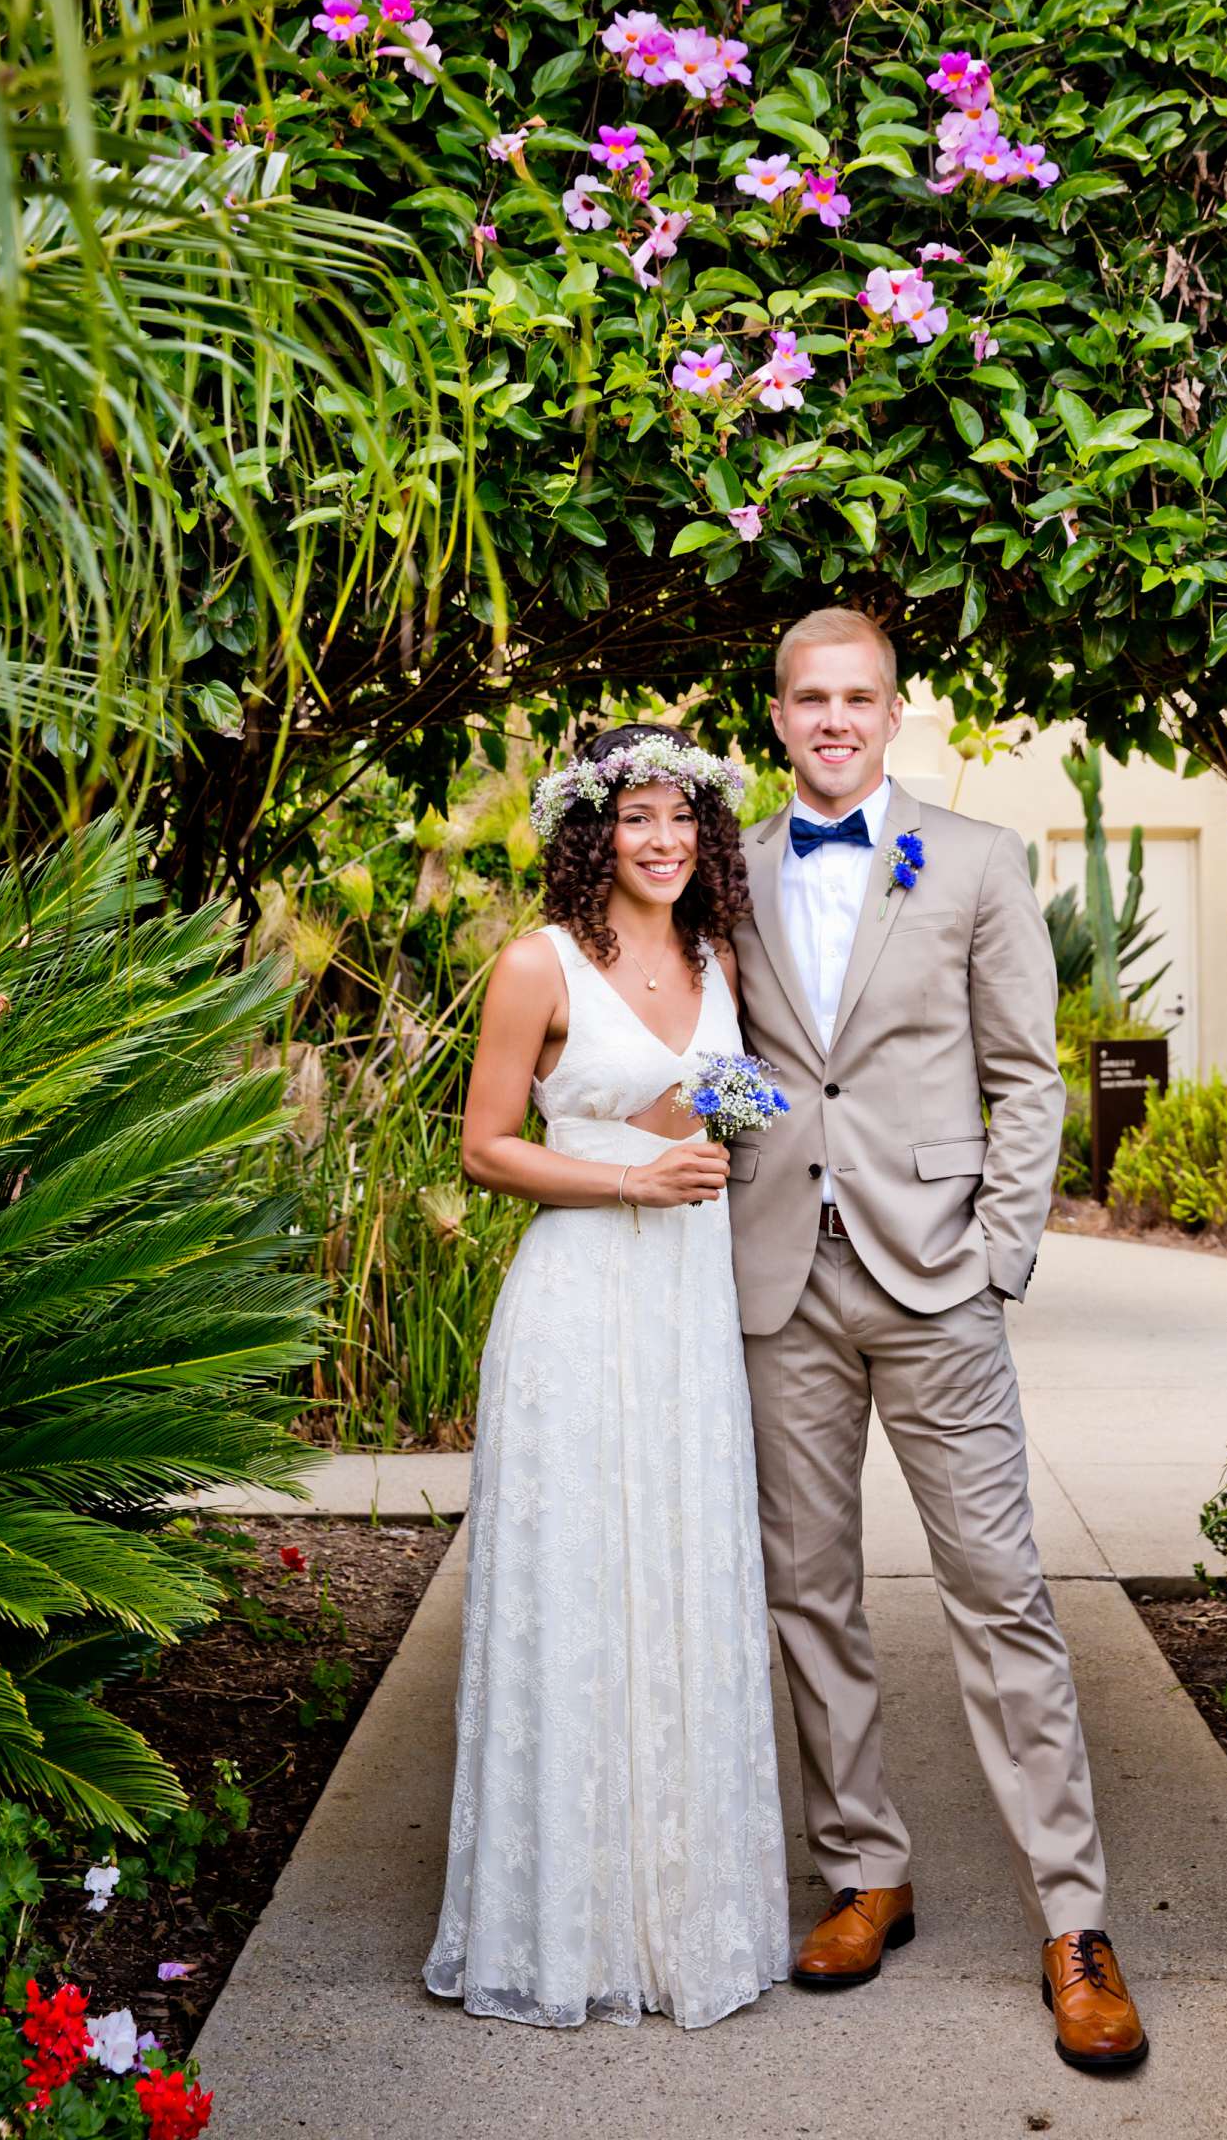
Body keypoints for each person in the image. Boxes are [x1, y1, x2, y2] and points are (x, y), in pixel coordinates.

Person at [728, 606, 1149, 2074]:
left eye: (859, 697)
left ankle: (1075, 1920)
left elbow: (1027, 1074)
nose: (833, 718)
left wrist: (1000, 1258)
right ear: (776, 715)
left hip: (935, 1285)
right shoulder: (730, 872)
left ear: (893, 712)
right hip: (778, 1277)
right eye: (808, 698)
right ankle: (865, 1871)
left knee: (1000, 1591)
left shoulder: (972, 860)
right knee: (809, 1592)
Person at [423, 723, 790, 2031]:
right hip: (581, 1303)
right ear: (596, 829)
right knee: (580, 1590)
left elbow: (722, 1102)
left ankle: (681, 1916)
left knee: (679, 1584)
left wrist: (707, 1127)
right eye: (638, 816)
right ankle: (561, 1925)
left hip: (686, 1312)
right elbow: (484, 1149)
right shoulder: (538, 961)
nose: (663, 839)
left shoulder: (719, 958)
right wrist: (633, 1178)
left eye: (682, 817)